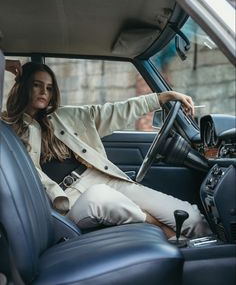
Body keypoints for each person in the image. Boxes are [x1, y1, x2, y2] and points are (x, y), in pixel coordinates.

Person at [3, 60, 210, 239]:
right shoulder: (7, 127)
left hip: (102, 177)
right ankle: (164, 232)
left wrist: (160, 98)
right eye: (36, 85)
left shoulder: (65, 116)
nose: (43, 92)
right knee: (100, 197)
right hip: (68, 200)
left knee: (190, 217)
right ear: (22, 86)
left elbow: (114, 110)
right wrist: (3, 63)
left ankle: (208, 255)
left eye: (49, 88)